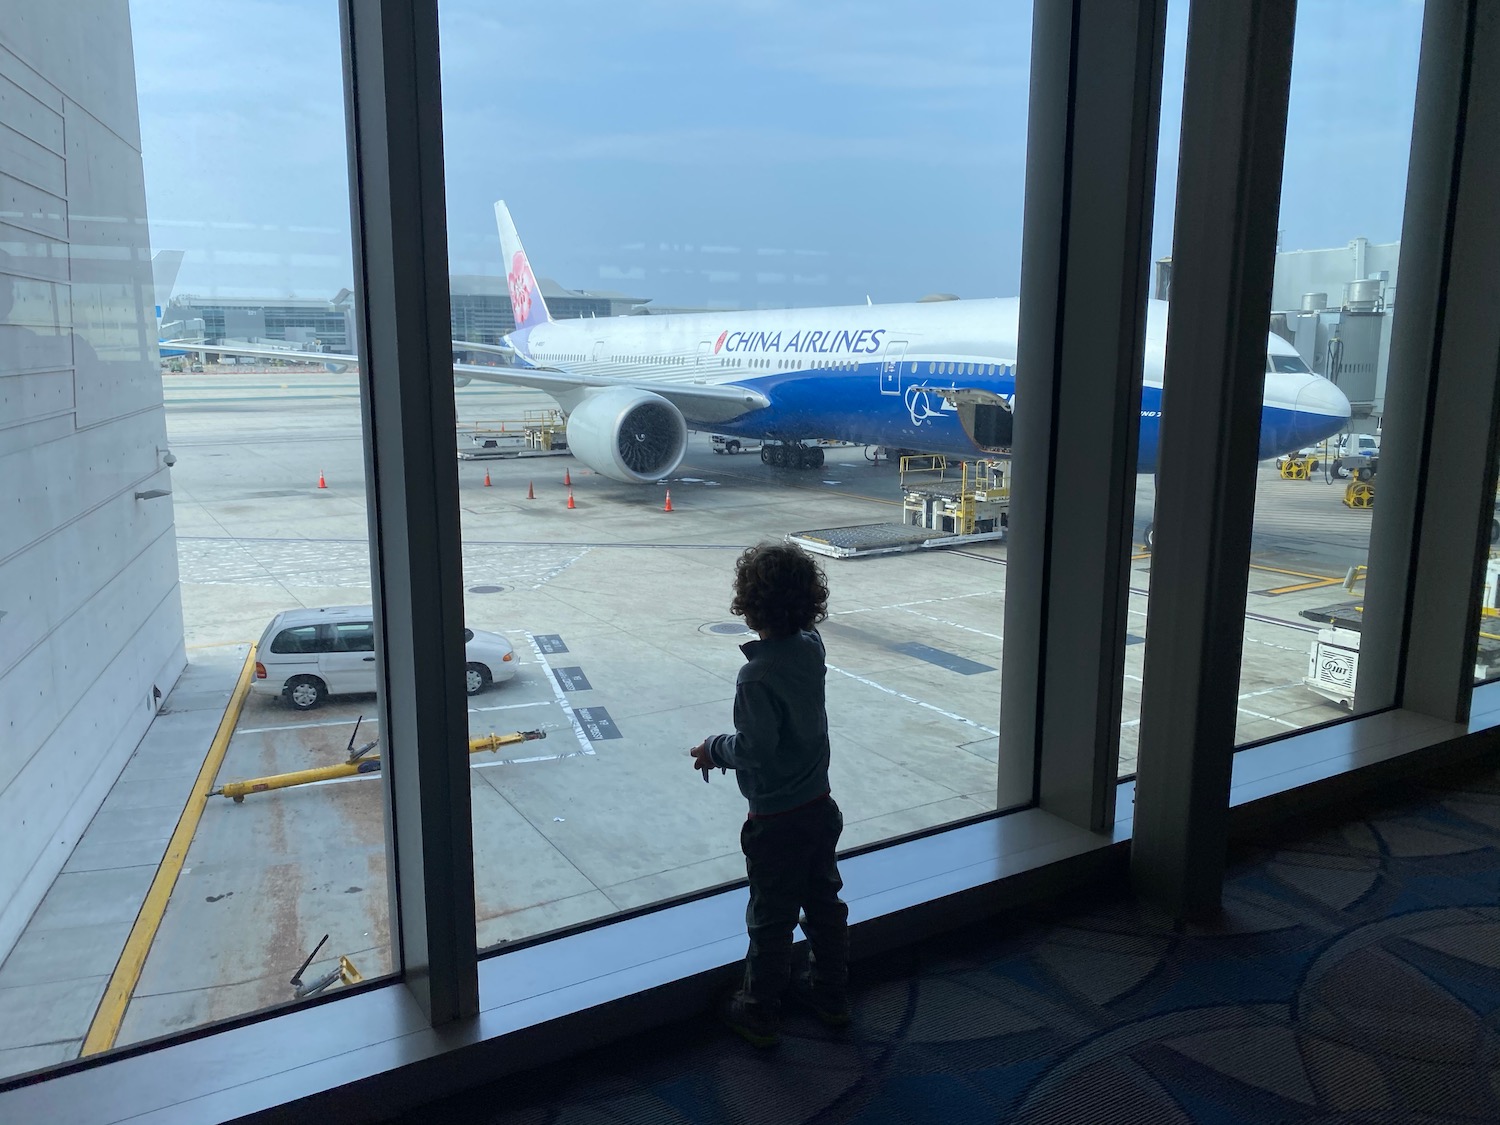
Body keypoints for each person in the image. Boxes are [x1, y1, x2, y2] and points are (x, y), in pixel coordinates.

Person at [689, 542, 850, 1048]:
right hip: (819, 806)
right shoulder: (812, 647)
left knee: (771, 917)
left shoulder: (756, 675)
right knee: (824, 901)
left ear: (747, 605)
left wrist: (713, 748)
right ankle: (831, 995)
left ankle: (757, 1010)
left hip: (776, 818)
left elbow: (755, 748)